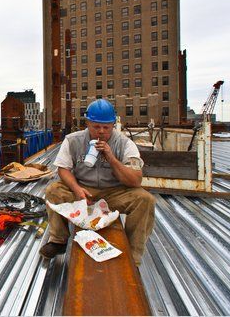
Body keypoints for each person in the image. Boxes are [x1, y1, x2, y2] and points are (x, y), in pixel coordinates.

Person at [40, 99, 155, 266]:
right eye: (96, 127)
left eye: (106, 127)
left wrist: (111, 158)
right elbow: (62, 169)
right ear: (87, 123)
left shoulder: (125, 144)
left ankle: (133, 256)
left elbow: (136, 180)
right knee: (53, 190)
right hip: (83, 191)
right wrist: (77, 189)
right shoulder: (73, 140)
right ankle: (58, 240)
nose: (101, 132)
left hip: (114, 192)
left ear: (113, 125)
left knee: (145, 200)